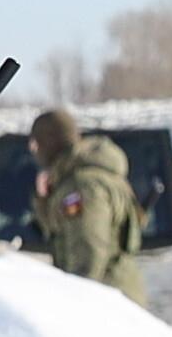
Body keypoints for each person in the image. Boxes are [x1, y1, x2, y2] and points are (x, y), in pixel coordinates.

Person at [22, 97, 144, 293]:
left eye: (36, 144)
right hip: (112, 296)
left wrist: (78, 303)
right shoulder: (82, 178)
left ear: (50, 142)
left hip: (105, 304)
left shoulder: (83, 187)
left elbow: (88, 252)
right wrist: (44, 200)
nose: (34, 151)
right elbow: (60, 230)